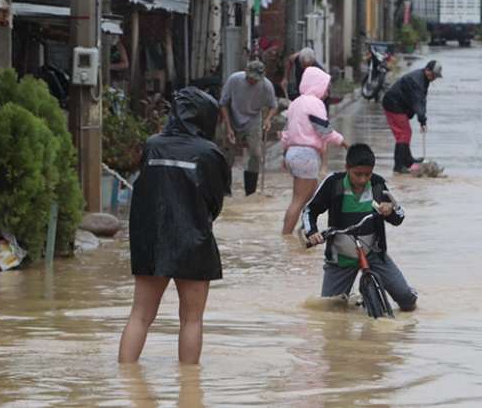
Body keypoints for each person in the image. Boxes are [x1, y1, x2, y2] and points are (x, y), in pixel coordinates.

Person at [119, 87, 232, 364]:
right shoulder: (209, 153)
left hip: (151, 241)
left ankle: (125, 383)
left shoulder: (152, 145)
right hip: (193, 240)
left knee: (140, 314)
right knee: (191, 320)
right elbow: (215, 202)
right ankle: (189, 390)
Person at [303, 144, 418, 311]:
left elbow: (399, 217)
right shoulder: (333, 183)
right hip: (340, 259)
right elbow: (309, 210)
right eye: (358, 174)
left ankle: (406, 293)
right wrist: (312, 232)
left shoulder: (378, 184)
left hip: (374, 254)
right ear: (347, 168)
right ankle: (355, 299)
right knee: (330, 310)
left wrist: (390, 211)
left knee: (407, 302)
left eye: (367, 174)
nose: (363, 180)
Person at [281, 66, 349, 235]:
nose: (327, 93)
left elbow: (286, 132)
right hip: (306, 155)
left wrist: (285, 155)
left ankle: (303, 232)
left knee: (310, 197)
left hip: (293, 153)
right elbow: (324, 130)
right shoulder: (314, 103)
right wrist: (346, 144)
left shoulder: (295, 103)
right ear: (316, 85)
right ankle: (286, 237)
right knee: (298, 200)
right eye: (326, 87)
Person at [220, 60, 278, 196]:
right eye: (250, 78)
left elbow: (273, 106)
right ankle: (225, 191)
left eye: (255, 80)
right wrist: (228, 127)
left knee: (256, 155)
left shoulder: (266, 85)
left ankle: (250, 193)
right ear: (246, 73)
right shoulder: (234, 80)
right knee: (228, 155)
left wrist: (268, 120)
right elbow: (223, 103)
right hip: (233, 117)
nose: (252, 82)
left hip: (253, 120)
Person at [382, 60, 442, 173]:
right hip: (393, 104)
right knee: (403, 133)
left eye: (436, 76)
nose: (434, 78)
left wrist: (423, 120)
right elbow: (417, 102)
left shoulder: (424, 79)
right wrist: (422, 120)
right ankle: (399, 166)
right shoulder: (417, 81)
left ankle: (407, 160)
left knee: (405, 133)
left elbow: (422, 101)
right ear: (428, 70)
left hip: (399, 104)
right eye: (434, 75)